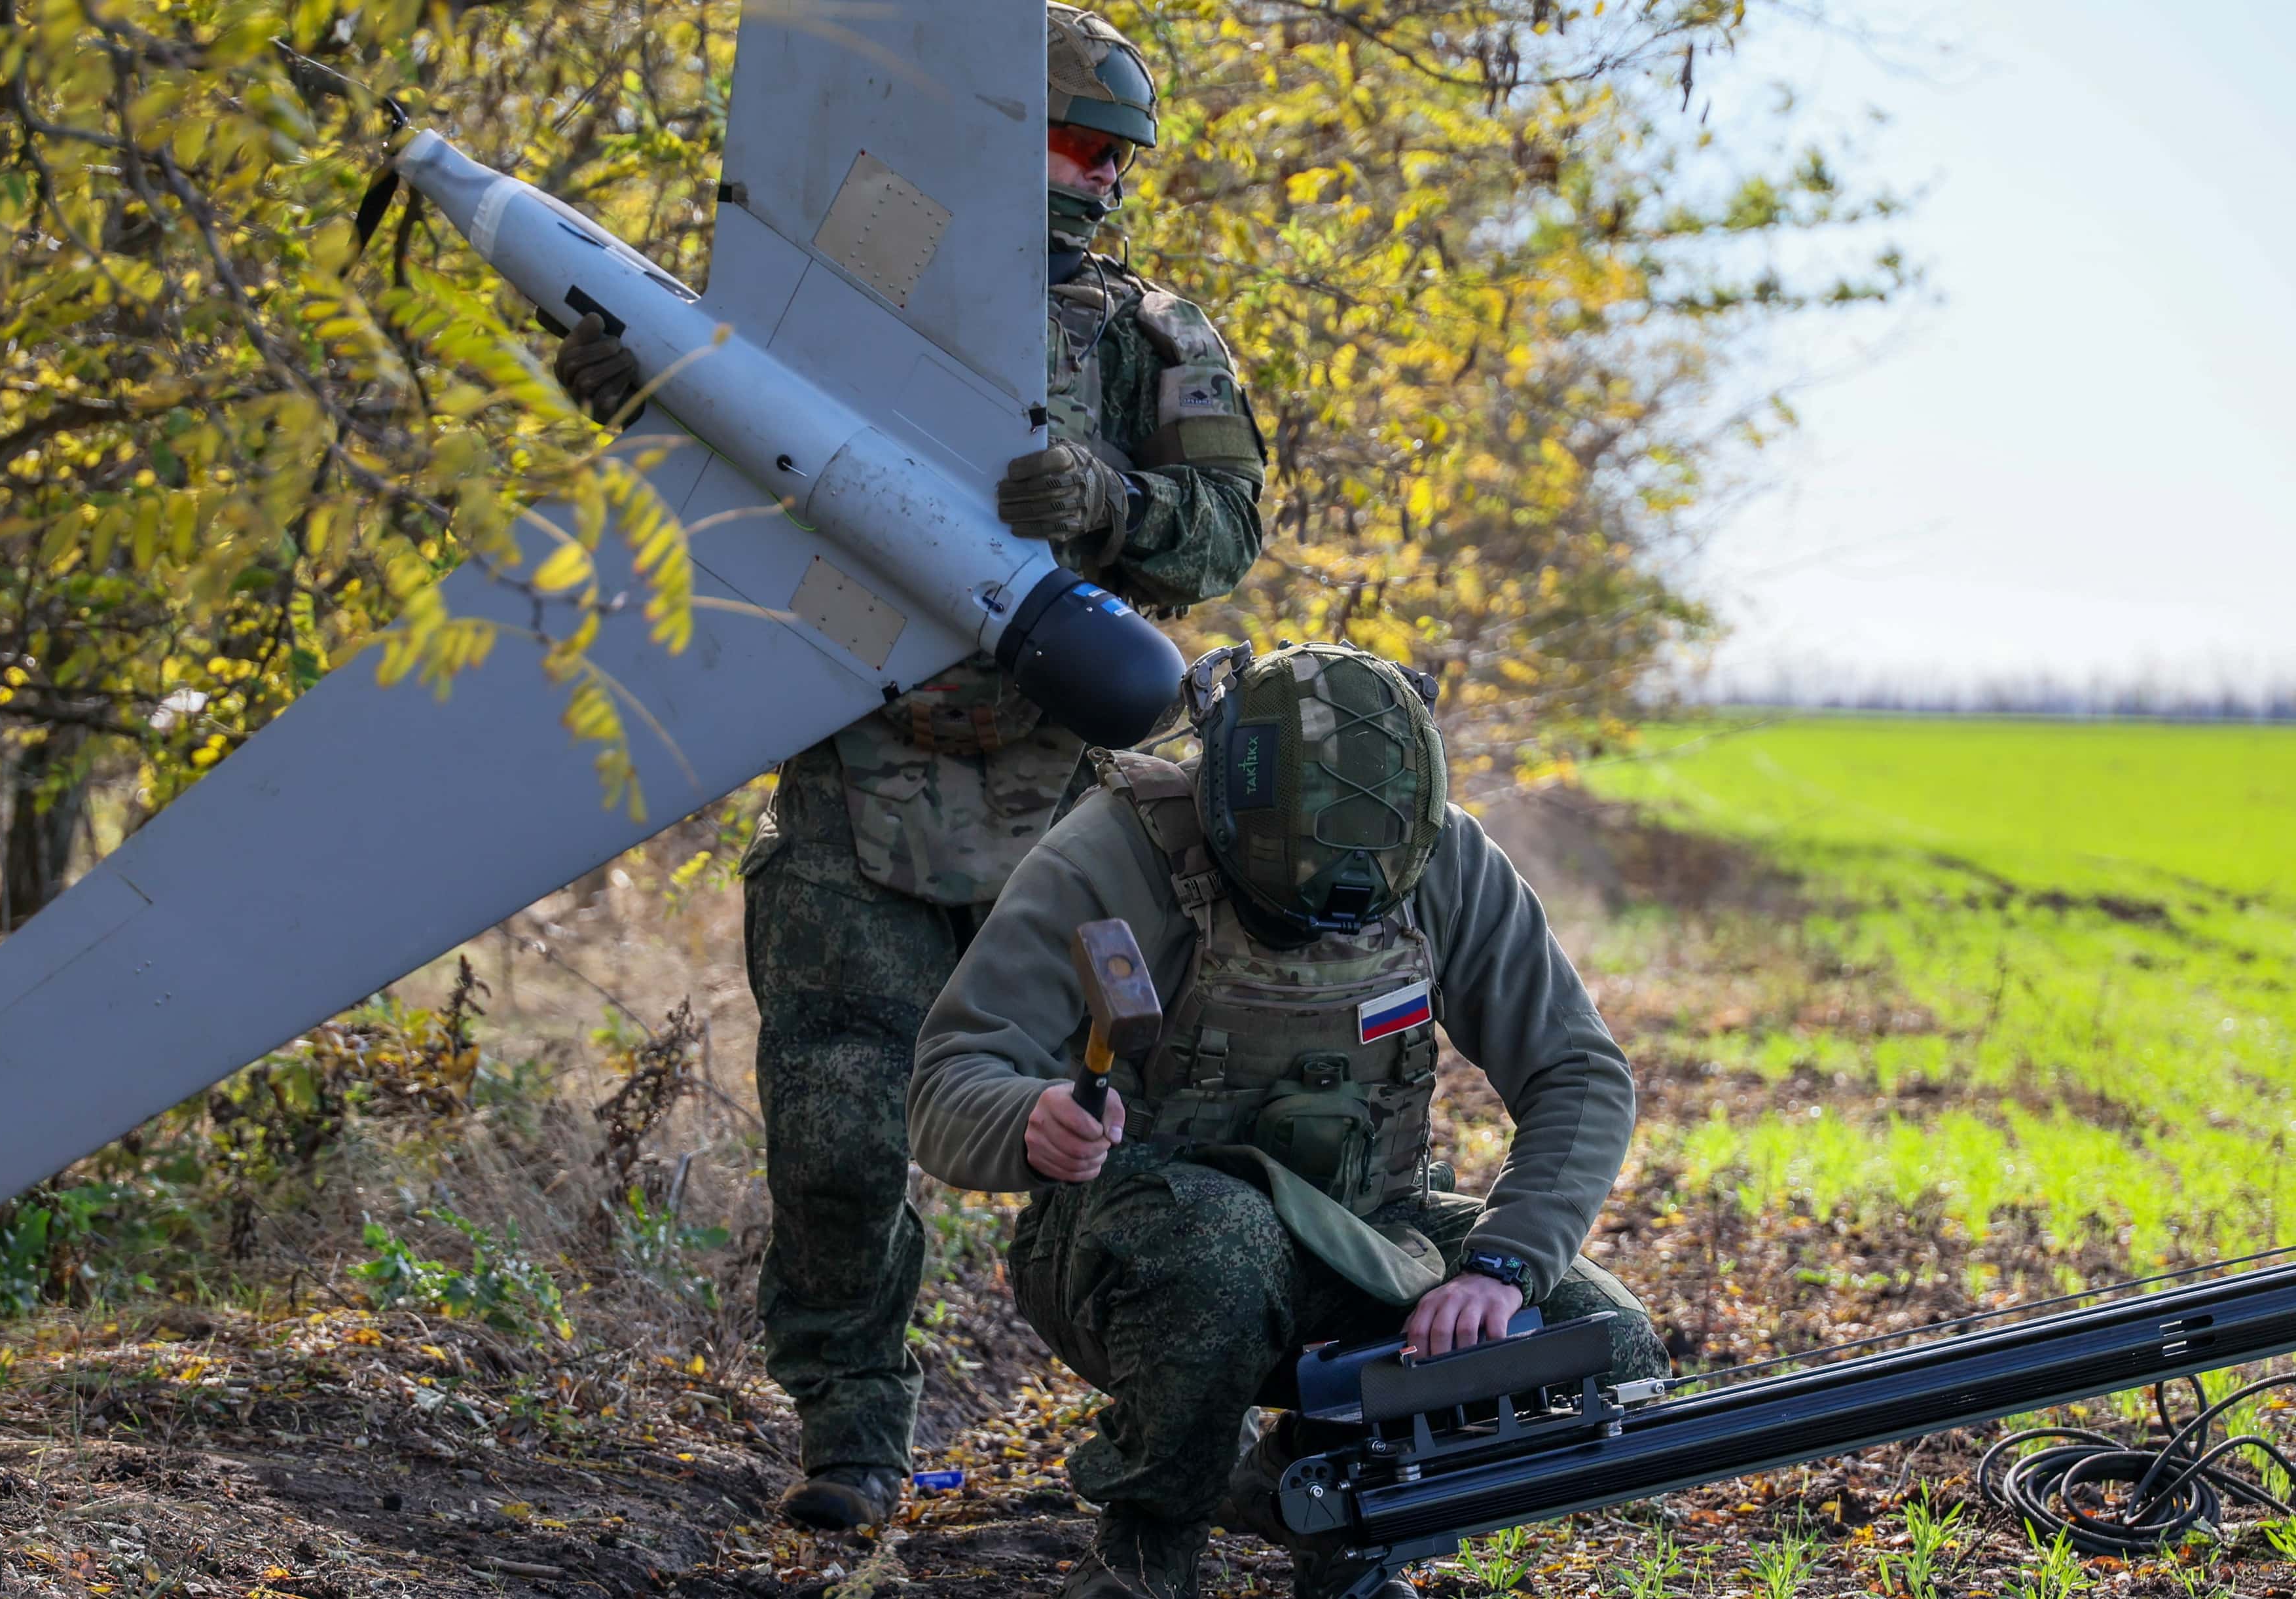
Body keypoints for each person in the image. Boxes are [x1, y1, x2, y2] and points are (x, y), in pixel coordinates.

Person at [549, 7, 1267, 1531]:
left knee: (1157, 1136)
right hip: (855, 797)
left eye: (1114, 155)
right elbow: (731, 462)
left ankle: (1177, 1439)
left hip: (1067, 822)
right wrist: (639, 395)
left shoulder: (1150, 338)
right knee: (832, 1137)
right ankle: (855, 1443)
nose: (1094, 179)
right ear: (993, 136)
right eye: (1068, 144)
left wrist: (1110, 499)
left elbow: (1224, 533)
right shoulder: (841, 293)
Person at [906, 642, 1671, 1599]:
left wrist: (1502, 1266)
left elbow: (1579, 1071)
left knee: (1601, 1343)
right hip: (1131, 1251)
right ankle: (1151, 1541)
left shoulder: (1443, 855)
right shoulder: (1112, 855)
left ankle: (1338, 1499)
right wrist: (1029, 1115)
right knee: (1220, 1243)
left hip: (1365, 1232)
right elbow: (949, 1075)